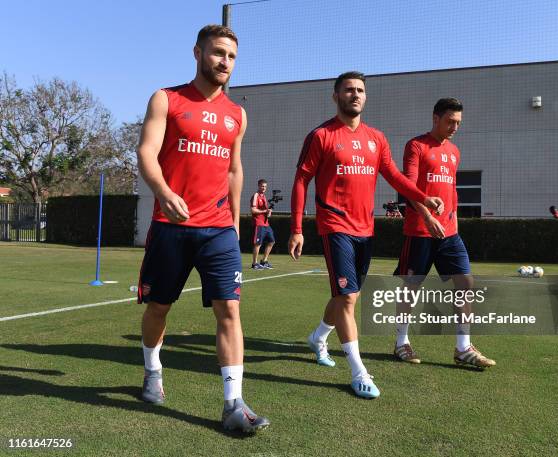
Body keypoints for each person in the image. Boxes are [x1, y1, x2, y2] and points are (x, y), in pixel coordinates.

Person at [136, 24, 269, 433]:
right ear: (197, 53)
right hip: (170, 227)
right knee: (159, 307)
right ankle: (153, 370)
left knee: (229, 310)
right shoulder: (167, 99)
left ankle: (233, 403)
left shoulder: (237, 114)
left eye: (230, 56)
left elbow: (233, 169)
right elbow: (146, 151)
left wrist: (233, 221)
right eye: (217, 53)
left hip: (218, 231)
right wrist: (162, 192)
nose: (224, 62)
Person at [288, 71, 444, 399]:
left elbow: (394, 177)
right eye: (348, 90)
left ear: (365, 97)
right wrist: (298, 228)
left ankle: (318, 337)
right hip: (335, 226)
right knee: (347, 298)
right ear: (336, 96)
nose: (355, 95)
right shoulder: (321, 136)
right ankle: (359, 371)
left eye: (360, 90)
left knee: (349, 296)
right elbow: (302, 180)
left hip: (365, 229)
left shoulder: (377, 138)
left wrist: (422, 198)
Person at [392, 98, 496, 369]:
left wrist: (456, 224)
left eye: (458, 123)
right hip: (419, 231)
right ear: (435, 118)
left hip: (449, 233)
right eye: (450, 121)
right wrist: (426, 217)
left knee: (466, 283)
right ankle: (401, 342)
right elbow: (409, 188)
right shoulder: (416, 146)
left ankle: (463, 348)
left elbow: (452, 191)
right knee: (411, 287)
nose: (454, 127)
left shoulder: (454, 151)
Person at [250, 179, 275, 269]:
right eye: (262, 186)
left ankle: (264, 261)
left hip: (266, 224)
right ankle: (254, 263)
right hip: (258, 223)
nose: (264, 188)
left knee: (272, 241)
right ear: (258, 186)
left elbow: (267, 213)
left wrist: (269, 212)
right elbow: (253, 210)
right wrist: (265, 210)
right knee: (258, 243)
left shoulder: (264, 197)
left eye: (265, 186)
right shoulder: (256, 196)